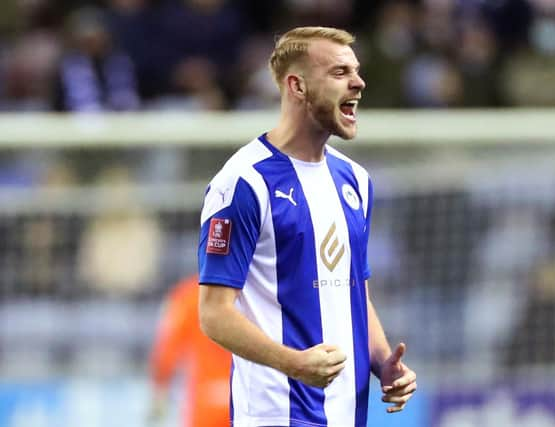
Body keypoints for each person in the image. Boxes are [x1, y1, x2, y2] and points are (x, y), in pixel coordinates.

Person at [197, 26, 417, 427]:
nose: (358, 82)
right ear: (297, 86)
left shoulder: (355, 181)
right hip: (275, 415)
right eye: (339, 72)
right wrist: (294, 364)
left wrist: (384, 361)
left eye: (356, 70)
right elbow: (213, 314)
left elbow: (354, 289)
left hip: (348, 415)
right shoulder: (244, 182)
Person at [148, 274, 231, 427]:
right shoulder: (252, 291)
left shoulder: (188, 295)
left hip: (204, 401)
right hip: (244, 401)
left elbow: (167, 350)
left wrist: (159, 392)